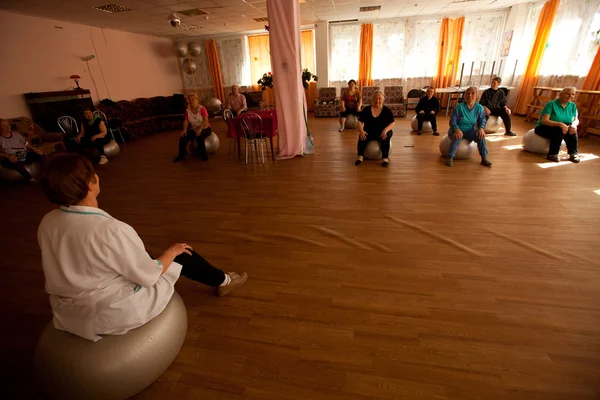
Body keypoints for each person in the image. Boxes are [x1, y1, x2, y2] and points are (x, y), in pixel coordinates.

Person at [37, 153, 248, 342]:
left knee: (144, 255)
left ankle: (219, 278)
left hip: (69, 310)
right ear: (91, 184)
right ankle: (224, 281)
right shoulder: (111, 230)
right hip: (108, 311)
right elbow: (148, 275)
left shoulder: (48, 221)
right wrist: (171, 252)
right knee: (183, 253)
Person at [445, 86, 492, 168]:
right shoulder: (459, 107)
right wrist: (456, 129)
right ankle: (450, 157)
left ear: (476, 96)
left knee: (481, 137)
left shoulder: (479, 108)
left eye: (472, 93)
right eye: (468, 93)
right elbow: (452, 121)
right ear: (465, 95)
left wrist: (481, 128)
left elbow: (482, 120)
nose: (470, 95)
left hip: (470, 130)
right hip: (456, 130)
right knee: (457, 137)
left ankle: (484, 158)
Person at [534, 86, 580, 163]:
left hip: (563, 127)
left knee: (572, 131)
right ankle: (552, 154)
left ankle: (573, 153)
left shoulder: (572, 105)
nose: (570, 96)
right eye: (568, 94)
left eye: (573, 94)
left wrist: (574, 125)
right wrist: (560, 124)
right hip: (544, 127)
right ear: (561, 94)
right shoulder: (551, 104)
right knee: (558, 130)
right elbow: (545, 121)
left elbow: (576, 119)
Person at [356, 90, 395, 167]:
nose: (377, 101)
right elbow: (359, 121)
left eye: (380, 99)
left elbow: (392, 122)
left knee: (385, 137)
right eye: (376, 99)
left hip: (382, 131)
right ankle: (360, 157)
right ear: (373, 99)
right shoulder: (367, 109)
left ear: (383, 100)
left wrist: (385, 130)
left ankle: (385, 158)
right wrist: (361, 131)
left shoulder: (386, 110)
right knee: (362, 137)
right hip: (369, 130)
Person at [0, 118, 44, 182]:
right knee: (16, 162)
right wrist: (8, 156)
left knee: (40, 154)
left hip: (23, 154)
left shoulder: (16, 134)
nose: (8, 127)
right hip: (10, 158)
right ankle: (30, 179)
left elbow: (26, 144)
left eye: (8, 125)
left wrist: (34, 149)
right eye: (4, 126)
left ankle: (43, 174)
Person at [173, 93, 212, 162]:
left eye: (192, 99)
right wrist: (184, 130)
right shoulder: (187, 110)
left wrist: (200, 129)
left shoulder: (202, 108)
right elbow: (186, 121)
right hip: (194, 129)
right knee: (183, 137)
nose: (191, 101)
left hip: (205, 128)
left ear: (197, 100)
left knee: (199, 136)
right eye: (190, 99)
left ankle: (203, 154)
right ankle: (181, 155)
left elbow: (206, 121)